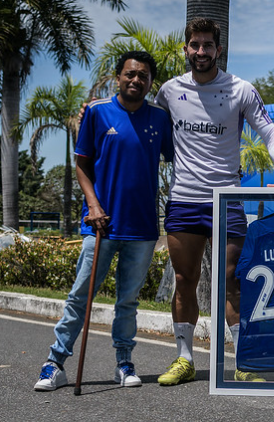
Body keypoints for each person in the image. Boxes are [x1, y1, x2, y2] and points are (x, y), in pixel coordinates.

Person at [154, 18, 274, 385]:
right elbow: (147, 130)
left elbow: (268, 132)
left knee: (232, 281)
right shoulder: (170, 92)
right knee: (184, 279)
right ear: (186, 49)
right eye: (195, 45)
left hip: (227, 199)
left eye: (208, 45)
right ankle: (185, 359)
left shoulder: (240, 90)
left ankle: (245, 361)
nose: (201, 51)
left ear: (218, 50)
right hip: (185, 200)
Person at [34, 51, 174, 391]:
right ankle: (55, 364)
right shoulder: (97, 112)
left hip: (141, 229)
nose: (136, 80)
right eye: (130, 74)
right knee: (80, 296)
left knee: (127, 301)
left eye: (143, 76)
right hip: (101, 225)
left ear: (150, 81)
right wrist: (93, 206)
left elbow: (178, 160)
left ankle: (123, 363)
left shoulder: (159, 117)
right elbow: (82, 165)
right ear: (118, 77)